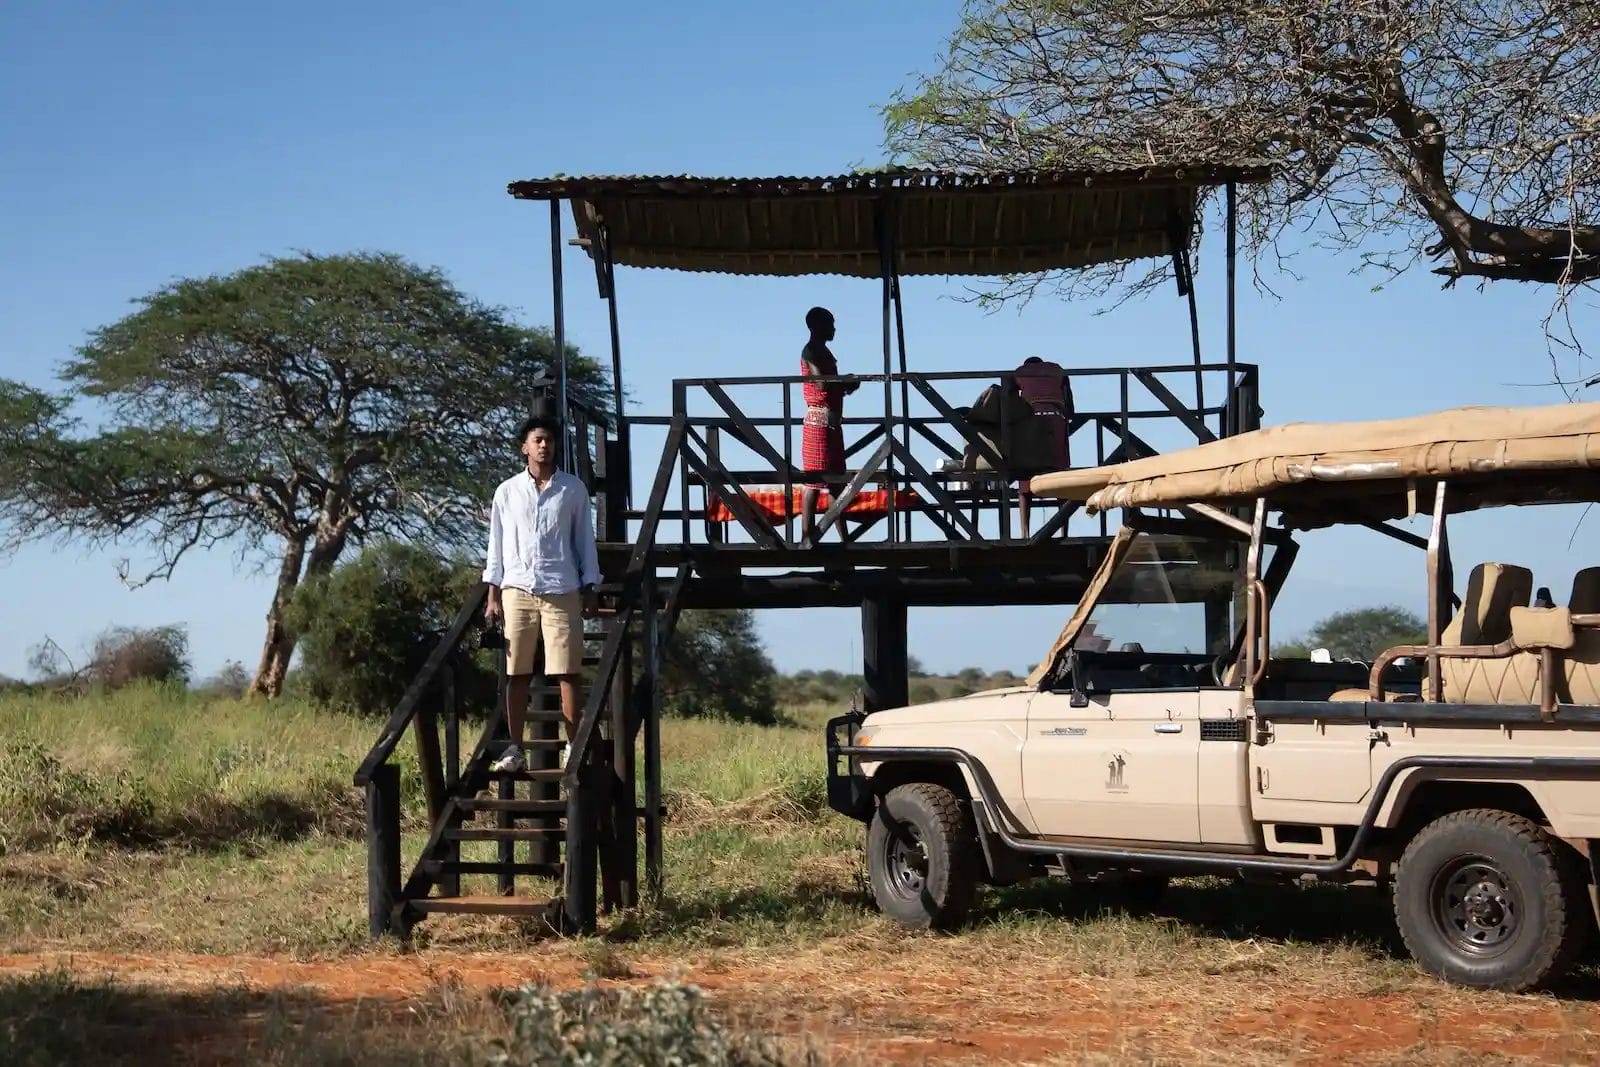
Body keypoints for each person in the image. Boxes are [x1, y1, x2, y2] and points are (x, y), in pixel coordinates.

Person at [482, 415, 600, 772]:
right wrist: (492, 595)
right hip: (517, 587)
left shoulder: (573, 489)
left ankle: (572, 747)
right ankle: (514, 749)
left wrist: (590, 583)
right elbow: (496, 546)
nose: (544, 445)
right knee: (516, 671)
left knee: (567, 670)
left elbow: (584, 541)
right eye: (537, 440)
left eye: (548, 439)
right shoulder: (507, 491)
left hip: (561, 586)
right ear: (525, 447)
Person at [798, 306, 859, 543]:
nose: (834, 328)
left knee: (835, 482)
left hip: (831, 421)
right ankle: (807, 536)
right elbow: (821, 383)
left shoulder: (823, 351)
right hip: (818, 422)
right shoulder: (810, 351)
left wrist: (845, 385)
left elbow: (829, 384)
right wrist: (844, 382)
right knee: (813, 480)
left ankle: (844, 538)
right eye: (830, 324)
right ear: (817, 326)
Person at [1011, 356, 1073, 537]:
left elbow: (1008, 405)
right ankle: (1063, 532)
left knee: (1025, 477)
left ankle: (1025, 532)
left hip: (1030, 421)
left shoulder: (1019, 372)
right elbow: (1070, 407)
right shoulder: (1057, 369)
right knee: (1060, 475)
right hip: (1057, 420)